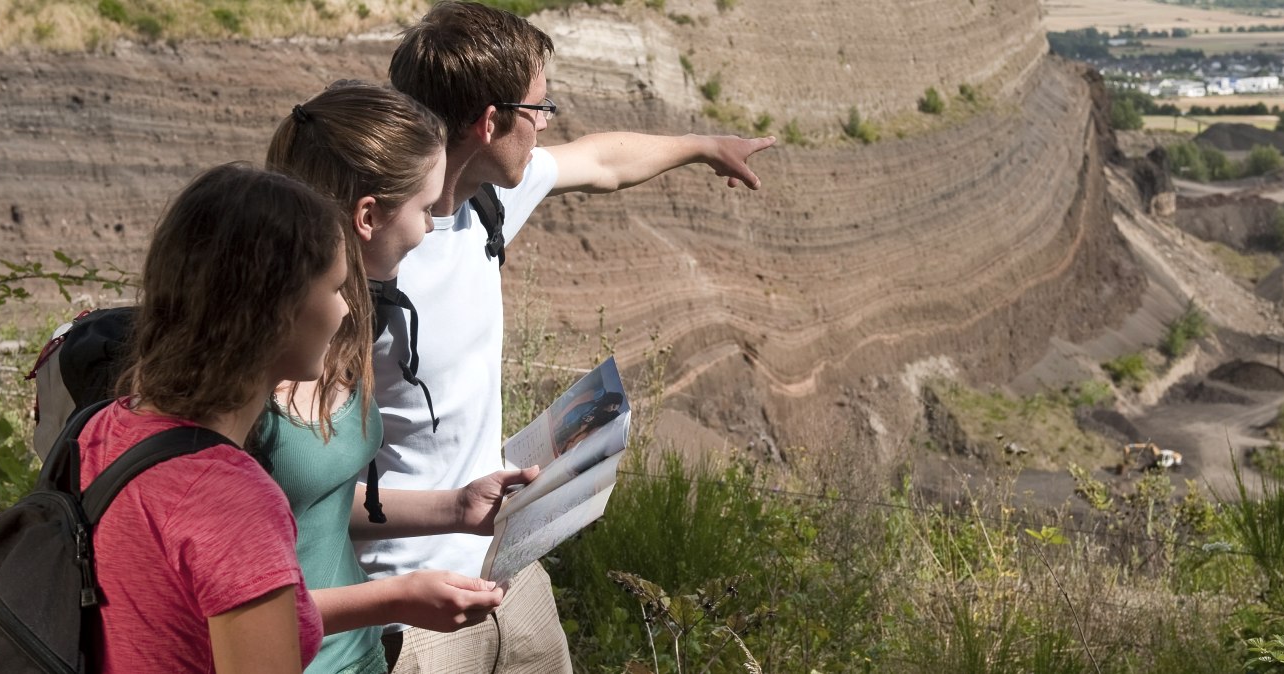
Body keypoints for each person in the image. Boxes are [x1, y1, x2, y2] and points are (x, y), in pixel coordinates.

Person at [358, 2, 776, 671]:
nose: (547, 124)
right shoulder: (362, 265)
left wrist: (702, 147)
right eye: (538, 108)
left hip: (510, 574)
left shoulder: (483, 202)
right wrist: (451, 513)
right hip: (413, 606)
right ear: (488, 122)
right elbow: (303, 484)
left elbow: (603, 160)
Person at [261, 81, 541, 674]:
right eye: (423, 208)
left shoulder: (333, 336)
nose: (428, 229)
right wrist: (395, 597)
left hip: (354, 655)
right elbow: (227, 617)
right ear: (367, 216)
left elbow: (314, 501)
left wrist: (456, 508)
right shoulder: (251, 380)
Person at [76, 163, 345, 673]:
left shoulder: (105, 428)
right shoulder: (229, 499)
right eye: (335, 289)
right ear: (278, 307)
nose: (345, 311)